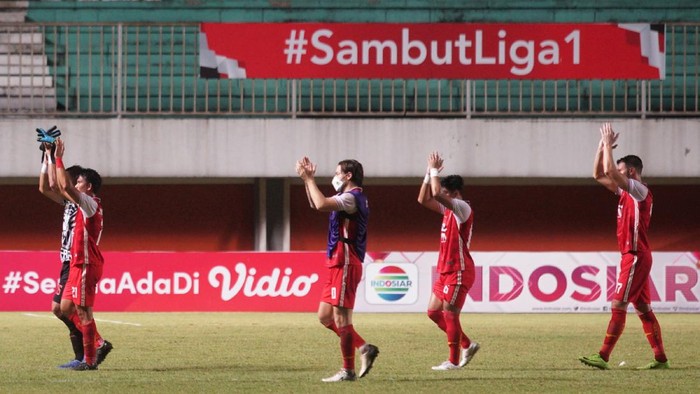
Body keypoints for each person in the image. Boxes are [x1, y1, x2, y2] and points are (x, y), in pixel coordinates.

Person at [579, 122, 669, 370]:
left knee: (618, 304)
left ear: (630, 172)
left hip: (636, 255)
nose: (614, 174)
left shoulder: (639, 190)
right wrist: (601, 147)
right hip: (633, 256)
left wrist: (608, 144)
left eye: (619, 171)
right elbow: (598, 174)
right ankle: (661, 359)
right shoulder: (626, 193)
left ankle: (603, 356)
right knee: (643, 310)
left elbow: (608, 169)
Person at [295, 156, 379, 382]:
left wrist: (310, 179)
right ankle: (364, 347)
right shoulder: (346, 197)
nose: (335, 176)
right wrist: (306, 180)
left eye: (337, 172)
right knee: (325, 316)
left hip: (346, 262)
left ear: (348, 175)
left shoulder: (352, 198)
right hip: (336, 263)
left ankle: (347, 371)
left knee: (342, 319)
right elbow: (316, 203)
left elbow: (321, 204)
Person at [39, 141, 112, 369]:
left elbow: (61, 185)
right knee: (66, 309)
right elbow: (50, 185)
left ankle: (90, 356)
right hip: (74, 260)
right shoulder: (77, 203)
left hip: (82, 261)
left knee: (79, 310)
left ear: (87, 186)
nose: (72, 183)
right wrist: (49, 156)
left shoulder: (88, 203)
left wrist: (57, 157)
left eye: (77, 180)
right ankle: (89, 354)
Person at [417, 151, 479, 371]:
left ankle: (453, 361)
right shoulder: (449, 209)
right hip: (445, 269)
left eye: (444, 192)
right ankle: (467, 344)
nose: (439, 195)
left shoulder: (462, 208)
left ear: (455, 193)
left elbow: (434, 193)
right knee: (433, 312)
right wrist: (427, 173)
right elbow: (423, 199)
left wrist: (434, 169)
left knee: (449, 313)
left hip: (459, 270)